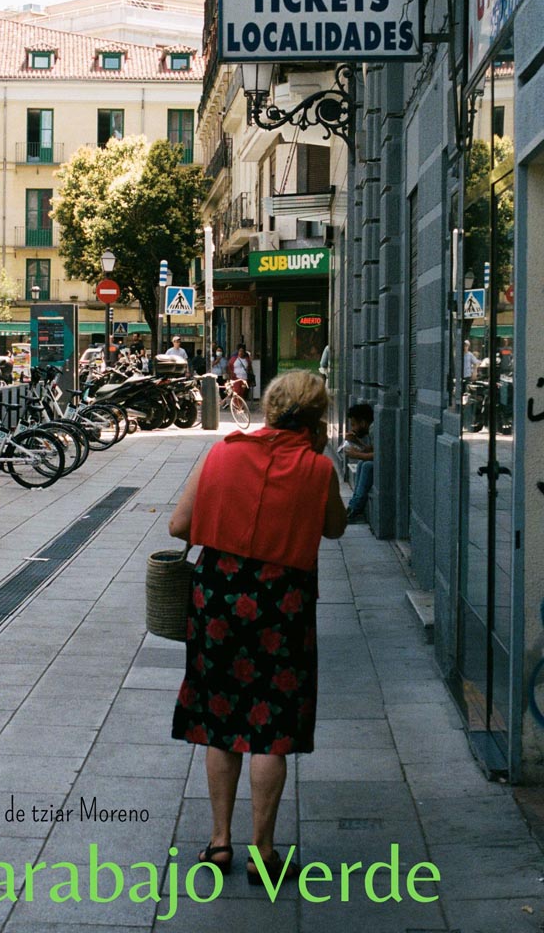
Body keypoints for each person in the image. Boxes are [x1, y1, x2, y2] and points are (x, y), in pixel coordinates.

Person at [169, 371, 346, 883]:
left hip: (218, 597)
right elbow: (335, 528)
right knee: (271, 727)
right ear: (316, 420)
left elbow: (179, 526)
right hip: (281, 603)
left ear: (268, 408)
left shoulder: (223, 453)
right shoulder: (317, 470)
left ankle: (220, 842)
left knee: (220, 718)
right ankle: (264, 852)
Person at [339, 402, 374, 522]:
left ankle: (355, 508)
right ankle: (353, 506)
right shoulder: (371, 429)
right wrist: (356, 442)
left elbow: (380, 455)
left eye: (354, 424)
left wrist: (357, 454)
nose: (352, 428)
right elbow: (371, 449)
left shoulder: (374, 429)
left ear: (363, 423)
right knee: (362, 464)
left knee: (367, 465)